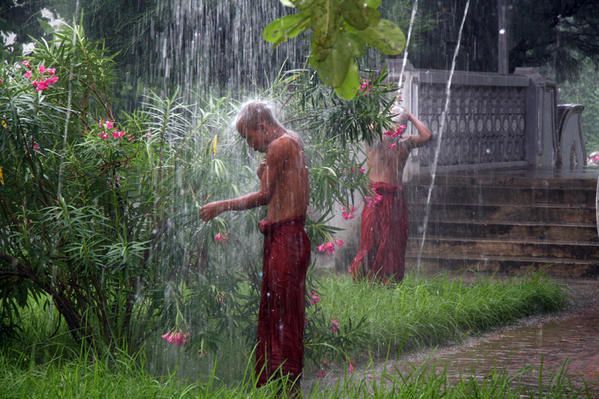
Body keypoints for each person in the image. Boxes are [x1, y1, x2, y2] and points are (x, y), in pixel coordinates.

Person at [199, 101, 310, 390]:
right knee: (285, 312)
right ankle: (285, 385)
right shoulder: (292, 140)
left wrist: (222, 205)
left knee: (282, 314)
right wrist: (266, 176)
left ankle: (287, 386)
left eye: (250, 138)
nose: (251, 146)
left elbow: (263, 196)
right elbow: (281, 190)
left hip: (286, 239)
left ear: (262, 127)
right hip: (291, 238)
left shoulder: (278, 147)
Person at [349, 105, 432, 283]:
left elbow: (427, 136)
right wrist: (400, 114)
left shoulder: (404, 142)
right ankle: (366, 280)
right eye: (393, 121)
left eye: (399, 122)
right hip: (378, 196)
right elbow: (365, 126)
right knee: (371, 240)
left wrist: (408, 114)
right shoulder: (377, 140)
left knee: (392, 242)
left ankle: (388, 280)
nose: (395, 126)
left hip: (393, 197)